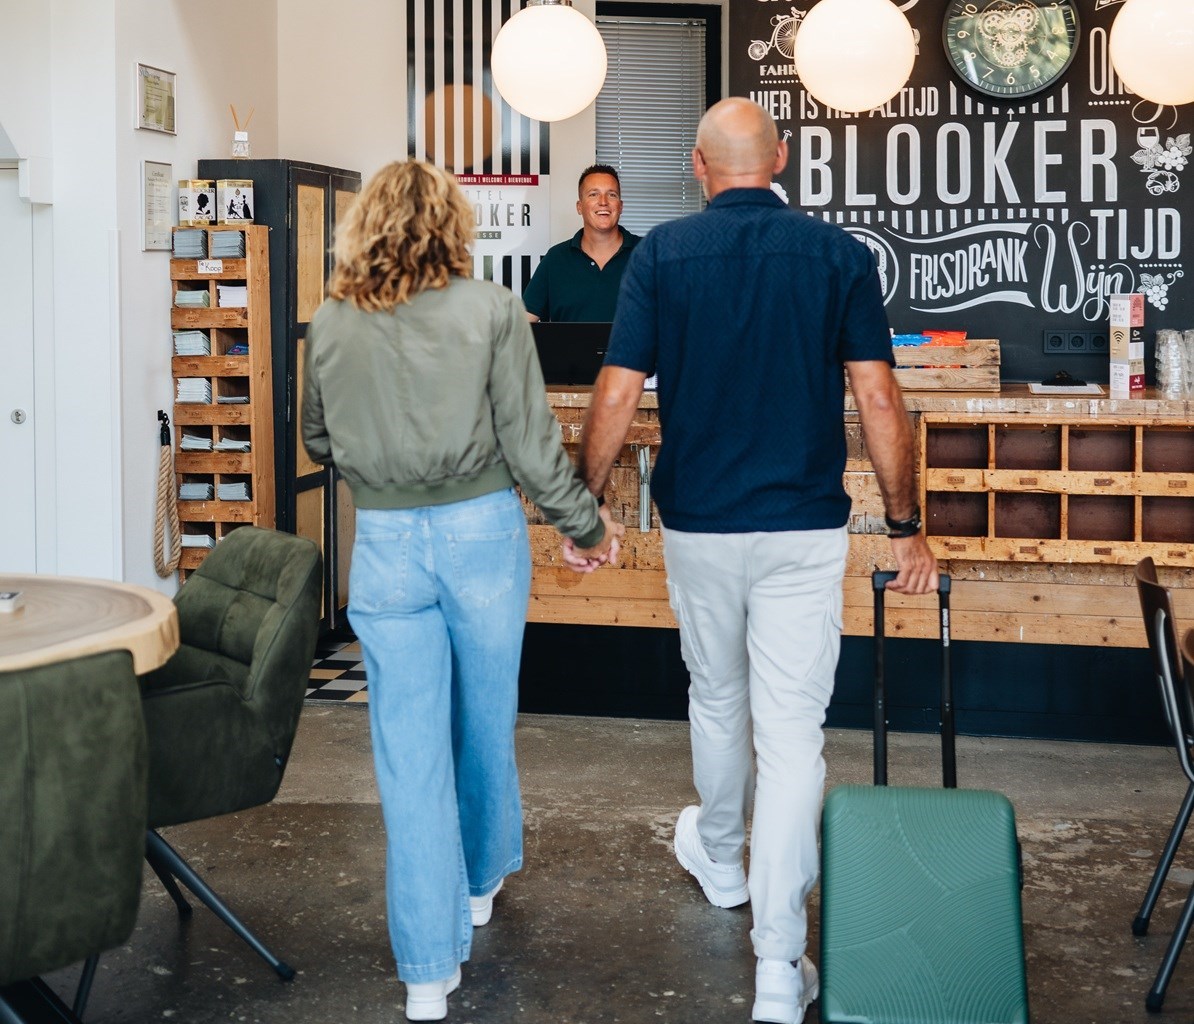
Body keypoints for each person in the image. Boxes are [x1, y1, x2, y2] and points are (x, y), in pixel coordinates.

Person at [573, 98, 939, 1024]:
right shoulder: (839, 258)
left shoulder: (661, 258)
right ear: (780, 160)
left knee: (717, 697)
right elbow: (881, 402)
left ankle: (725, 862)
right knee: (791, 736)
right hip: (803, 531)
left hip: (698, 526)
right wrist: (906, 527)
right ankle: (779, 966)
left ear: (698, 167)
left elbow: (615, 394)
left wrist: (584, 507)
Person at [301, 160, 622, 1022]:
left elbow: (317, 436)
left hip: (385, 542)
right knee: (483, 716)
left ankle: (425, 975)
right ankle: (479, 885)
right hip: (482, 534)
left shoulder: (331, 321)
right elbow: (528, 442)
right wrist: (584, 528)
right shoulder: (488, 309)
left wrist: (385, 471)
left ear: (363, 225)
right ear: (451, 225)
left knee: (408, 756)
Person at [523, 163, 640, 322]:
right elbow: (523, 325)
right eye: (593, 194)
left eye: (611, 194)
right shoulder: (555, 259)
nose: (603, 202)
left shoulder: (648, 253)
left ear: (620, 206)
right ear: (579, 207)